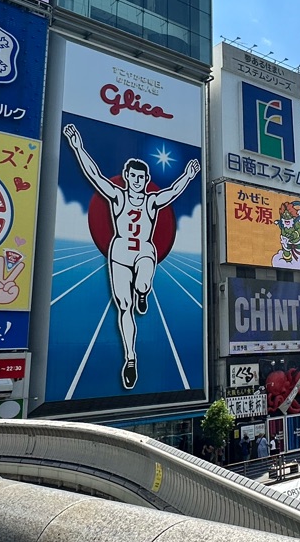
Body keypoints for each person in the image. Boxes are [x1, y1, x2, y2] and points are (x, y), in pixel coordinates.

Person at [63, 123, 200, 390]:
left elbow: (172, 192)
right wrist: (77, 146)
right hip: (120, 251)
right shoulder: (117, 196)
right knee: (124, 308)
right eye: (133, 177)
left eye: (142, 178)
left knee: (143, 281)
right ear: (127, 177)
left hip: (145, 250)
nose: (137, 181)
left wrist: (188, 175)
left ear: (146, 180)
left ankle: (142, 291)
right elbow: (95, 175)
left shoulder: (150, 201)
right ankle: (130, 358)